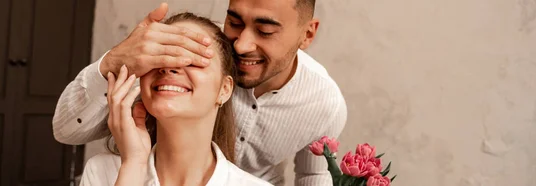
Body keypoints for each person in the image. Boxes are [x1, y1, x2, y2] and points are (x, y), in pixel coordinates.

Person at [54, 1, 347, 185]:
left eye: (265, 31)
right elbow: (66, 130)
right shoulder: (187, 46)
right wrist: (117, 60)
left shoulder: (324, 103)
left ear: (307, 34)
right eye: (234, 22)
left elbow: (313, 177)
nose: (242, 45)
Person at [79, 12, 272, 186]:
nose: (169, 66)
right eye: (160, 56)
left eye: (192, 59)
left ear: (225, 89)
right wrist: (134, 165)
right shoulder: (102, 172)